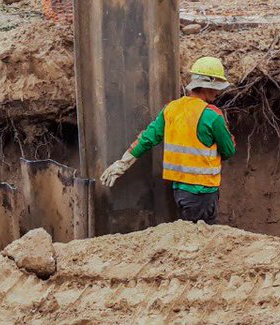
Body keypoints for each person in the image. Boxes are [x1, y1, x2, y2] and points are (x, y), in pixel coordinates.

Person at [99, 56, 235, 224]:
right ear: (207, 86)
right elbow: (229, 151)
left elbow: (147, 138)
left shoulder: (171, 109)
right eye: (216, 87)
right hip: (203, 193)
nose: (218, 92)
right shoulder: (211, 115)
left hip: (180, 193)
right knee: (202, 243)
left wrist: (122, 163)